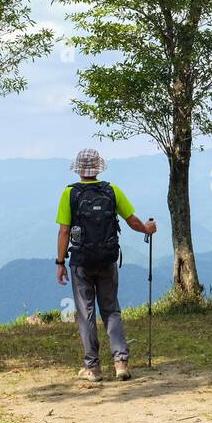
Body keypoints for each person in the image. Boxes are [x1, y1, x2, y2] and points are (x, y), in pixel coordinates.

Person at [56, 148, 156, 382]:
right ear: (99, 168)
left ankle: (92, 368)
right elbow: (132, 221)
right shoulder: (112, 191)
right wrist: (147, 229)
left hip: (81, 261)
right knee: (111, 309)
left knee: (86, 313)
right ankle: (121, 363)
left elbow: (63, 231)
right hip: (107, 259)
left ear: (79, 170)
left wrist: (60, 262)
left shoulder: (69, 194)